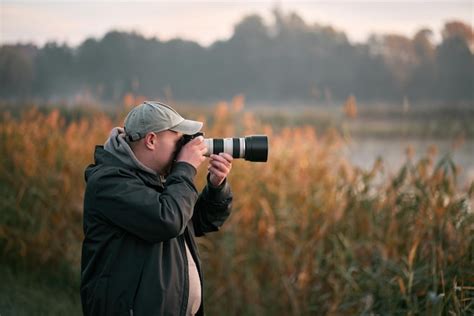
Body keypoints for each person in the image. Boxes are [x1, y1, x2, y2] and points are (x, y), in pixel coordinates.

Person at [80, 101, 233, 316]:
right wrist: (185, 167)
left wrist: (216, 187)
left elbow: (196, 222)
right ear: (151, 140)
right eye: (178, 139)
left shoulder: (155, 178)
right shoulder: (110, 183)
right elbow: (168, 220)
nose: (184, 147)